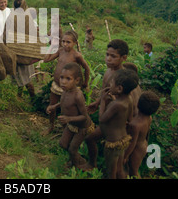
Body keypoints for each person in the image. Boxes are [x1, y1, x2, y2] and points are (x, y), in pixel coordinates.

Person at [82, 39, 129, 170]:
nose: (108, 59)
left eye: (113, 56)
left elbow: (128, 101)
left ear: (124, 58)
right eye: (107, 54)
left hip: (116, 122)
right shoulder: (108, 71)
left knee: (116, 160)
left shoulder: (123, 79)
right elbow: (104, 91)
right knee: (90, 139)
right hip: (106, 116)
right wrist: (97, 103)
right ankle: (92, 164)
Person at [46, 63, 95, 169]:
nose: (63, 81)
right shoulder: (65, 90)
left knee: (72, 149)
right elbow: (64, 102)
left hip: (82, 127)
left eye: (68, 79)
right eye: (62, 77)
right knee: (63, 144)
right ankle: (79, 160)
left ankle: (77, 167)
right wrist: (54, 106)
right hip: (71, 124)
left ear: (76, 81)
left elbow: (85, 116)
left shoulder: (78, 95)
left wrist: (69, 118)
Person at [43, 30, 90, 135]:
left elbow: (86, 68)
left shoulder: (77, 55)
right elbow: (46, 59)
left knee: (67, 108)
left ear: (75, 43)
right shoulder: (60, 51)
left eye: (68, 42)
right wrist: (51, 46)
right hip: (57, 85)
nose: (65, 44)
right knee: (52, 106)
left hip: (69, 88)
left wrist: (85, 83)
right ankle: (51, 126)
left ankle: (68, 130)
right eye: (63, 41)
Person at [99, 68, 138, 179]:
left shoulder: (116, 105)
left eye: (112, 83)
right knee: (119, 168)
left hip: (112, 143)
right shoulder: (129, 99)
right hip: (123, 140)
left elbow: (102, 119)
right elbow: (130, 119)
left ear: (119, 88)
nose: (109, 84)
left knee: (111, 172)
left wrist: (102, 101)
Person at [124, 91, 160, 178]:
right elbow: (147, 132)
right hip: (143, 145)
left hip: (136, 150)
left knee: (134, 171)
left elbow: (133, 143)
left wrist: (125, 156)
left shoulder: (135, 125)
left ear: (137, 104)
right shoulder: (149, 118)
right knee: (133, 170)